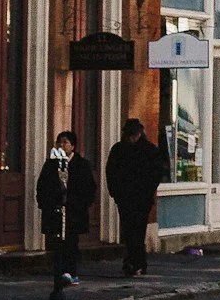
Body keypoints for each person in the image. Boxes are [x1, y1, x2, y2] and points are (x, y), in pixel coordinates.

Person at [106, 116, 167, 278]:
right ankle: (131, 262)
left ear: (140, 133)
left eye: (134, 134)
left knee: (138, 232)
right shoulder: (119, 149)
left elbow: (158, 172)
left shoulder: (149, 150)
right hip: (125, 198)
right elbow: (110, 171)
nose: (131, 138)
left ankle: (137, 263)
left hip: (141, 198)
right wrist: (115, 192)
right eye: (129, 135)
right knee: (128, 231)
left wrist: (148, 190)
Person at [55, 129, 97, 283]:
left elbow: (90, 187)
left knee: (71, 242)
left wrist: (81, 204)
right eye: (59, 142)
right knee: (58, 242)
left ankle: (71, 271)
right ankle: (59, 271)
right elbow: (44, 184)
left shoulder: (82, 165)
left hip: (74, 210)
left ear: (73, 146)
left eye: (65, 142)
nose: (61, 145)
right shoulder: (53, 164)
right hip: (58, 209)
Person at [35, 144, 69, 300]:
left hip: (65, 215)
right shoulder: (51, 169)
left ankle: (62, 280)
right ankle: (58, 284)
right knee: (57, 248)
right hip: (55, 213)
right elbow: (43, 188)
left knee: (63, 248)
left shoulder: (72, 167)